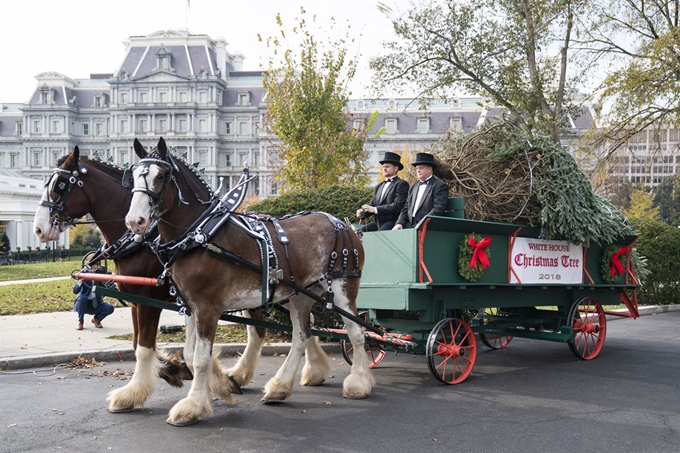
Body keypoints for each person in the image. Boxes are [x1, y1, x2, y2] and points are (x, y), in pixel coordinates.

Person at [393, 152, 449, 229]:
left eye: (421, 168)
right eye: (417, 168)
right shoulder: (414, 187)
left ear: (429, 169)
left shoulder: (439, 186)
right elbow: (406, 208)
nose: (418, 171)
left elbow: (438, 210)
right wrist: (399, 223)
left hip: (426, 226)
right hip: (409, 225)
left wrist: (422, 223)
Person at [356, 151, 410, 231]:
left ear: (396, 168)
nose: (384, 168)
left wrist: (375, 209)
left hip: (392, 222)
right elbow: (373, 204)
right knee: (360, 233)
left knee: (380, 236)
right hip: (377, 223)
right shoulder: (379, 186)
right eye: (383, 166)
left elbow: (397, 206)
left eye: (387, 166)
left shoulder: (401, 184)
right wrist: (363, 213)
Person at [72, 262, 114, 330]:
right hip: (83, 304)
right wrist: (80, 282)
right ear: (90, 265)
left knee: (110, 308)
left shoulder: (101, 274)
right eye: (94, 265)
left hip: (96, 304)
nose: (95, 267)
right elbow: (75, 291)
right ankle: (81, 322)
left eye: (97, 265)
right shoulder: (85, 273)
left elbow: (108, 287)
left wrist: (110, 281)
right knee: (83, 298)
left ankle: (96, 319)